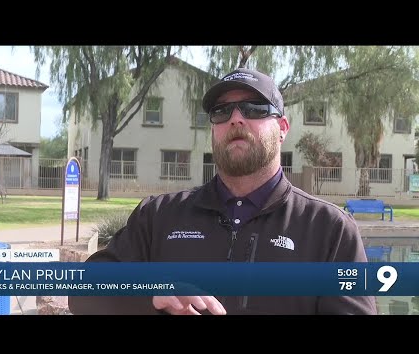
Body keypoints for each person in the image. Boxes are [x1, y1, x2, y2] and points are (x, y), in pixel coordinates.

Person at [68, 68, 377, 315]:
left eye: (254, 109)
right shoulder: (159, 216)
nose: (236, 118)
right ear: (213, 128)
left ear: (282, 128)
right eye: (222, 111)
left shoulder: (330, 231)